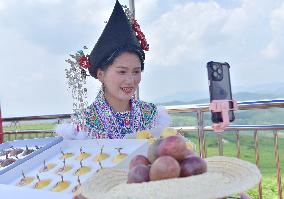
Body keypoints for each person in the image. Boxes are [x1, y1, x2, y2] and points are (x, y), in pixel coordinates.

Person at [56, 0, 170, 139]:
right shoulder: (83, 125)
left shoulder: (152, 116)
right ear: (101, 74)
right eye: (122, 71)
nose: (130, 80)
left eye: (136, 71)